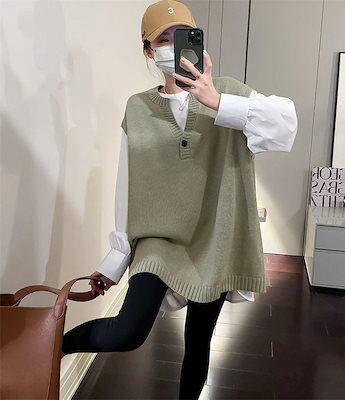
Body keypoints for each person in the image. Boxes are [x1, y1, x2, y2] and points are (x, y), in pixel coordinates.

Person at [62, 1, 298, 398]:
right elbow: (128, 185)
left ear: (198, 40)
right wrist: (116, 259)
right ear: (148, 51)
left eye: (182, 35)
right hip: (158, 240)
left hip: (216, 237)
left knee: (198, 341)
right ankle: (55, 346)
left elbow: (285, 125)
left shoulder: (229, 92)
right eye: (162, 39)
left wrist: (217, 101)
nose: (173, 46)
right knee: (127, 331)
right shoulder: (138, 108)